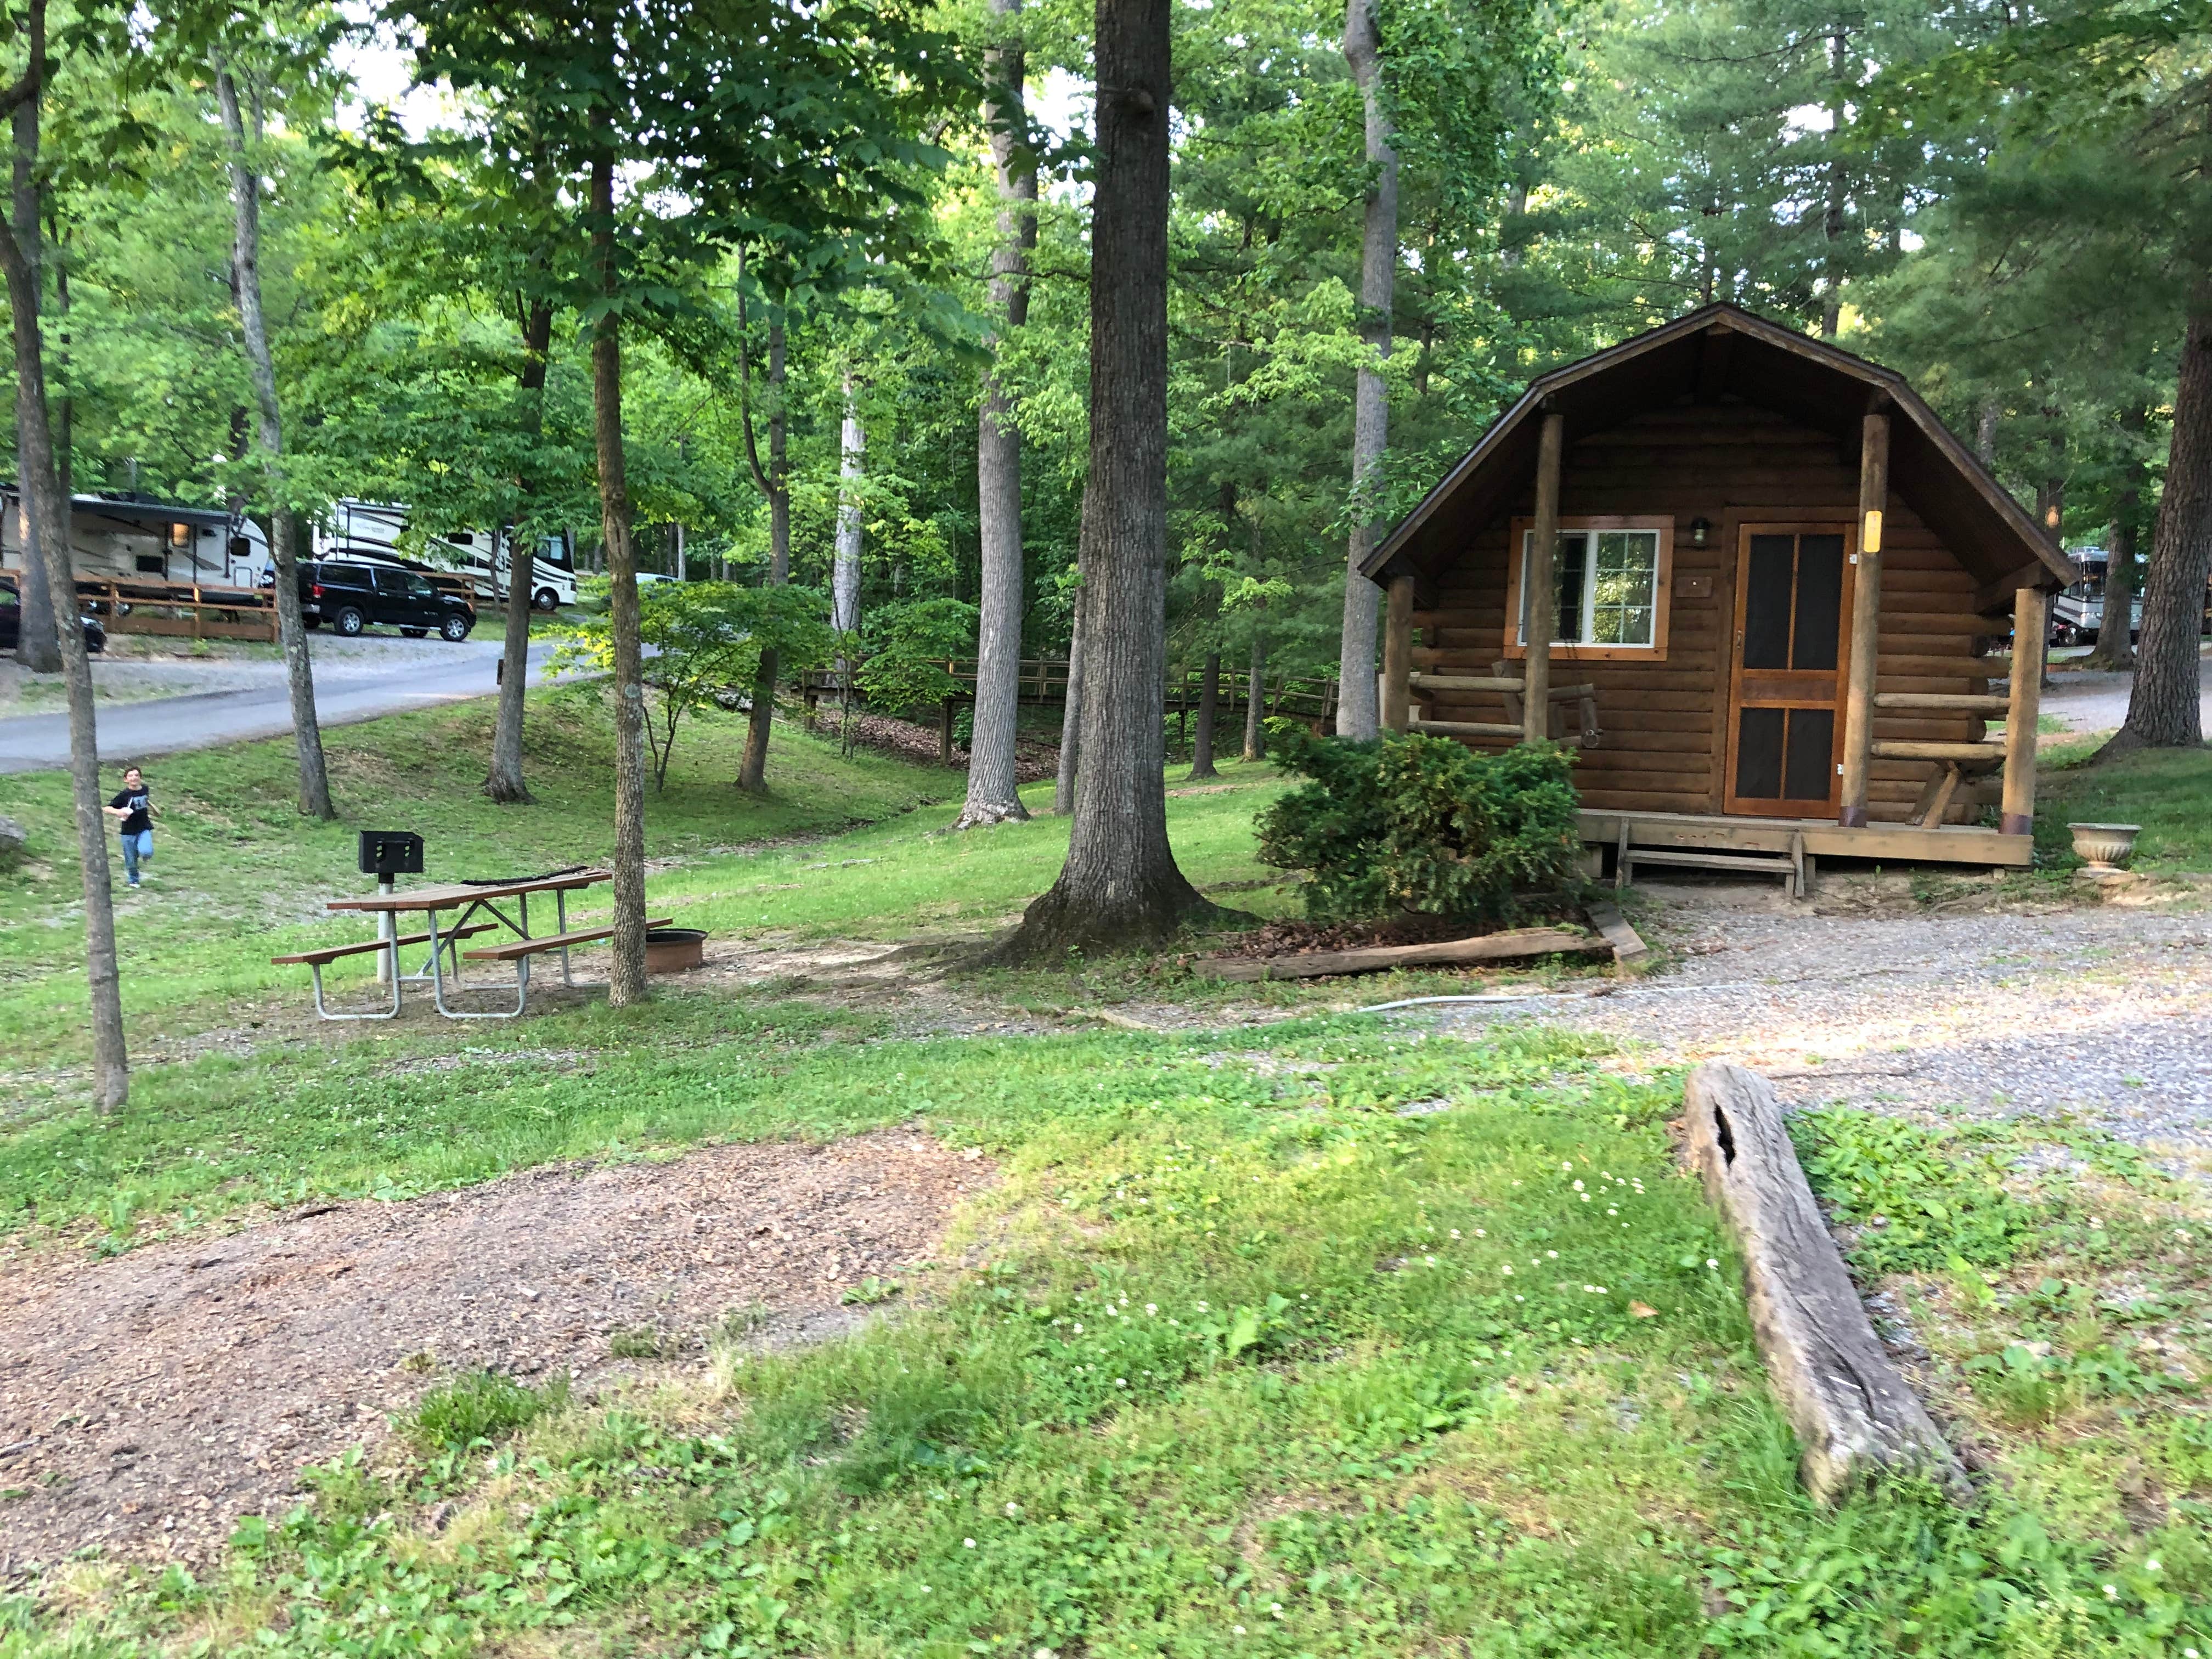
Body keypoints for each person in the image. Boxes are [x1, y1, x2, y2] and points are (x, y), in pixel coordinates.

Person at [103, 765, 157, 888]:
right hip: (128, 831)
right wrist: (118, 812)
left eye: (137, 775)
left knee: (146, 851)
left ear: (140, 778)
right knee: (131, 860)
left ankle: (142, 852)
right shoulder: (124, 795)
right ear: (126, 779)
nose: (134, 778)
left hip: (144, 827)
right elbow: (107, 808)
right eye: (131, 776)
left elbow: (145, 800)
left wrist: (154, 809)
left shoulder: (145, 789)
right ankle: (134, 880)